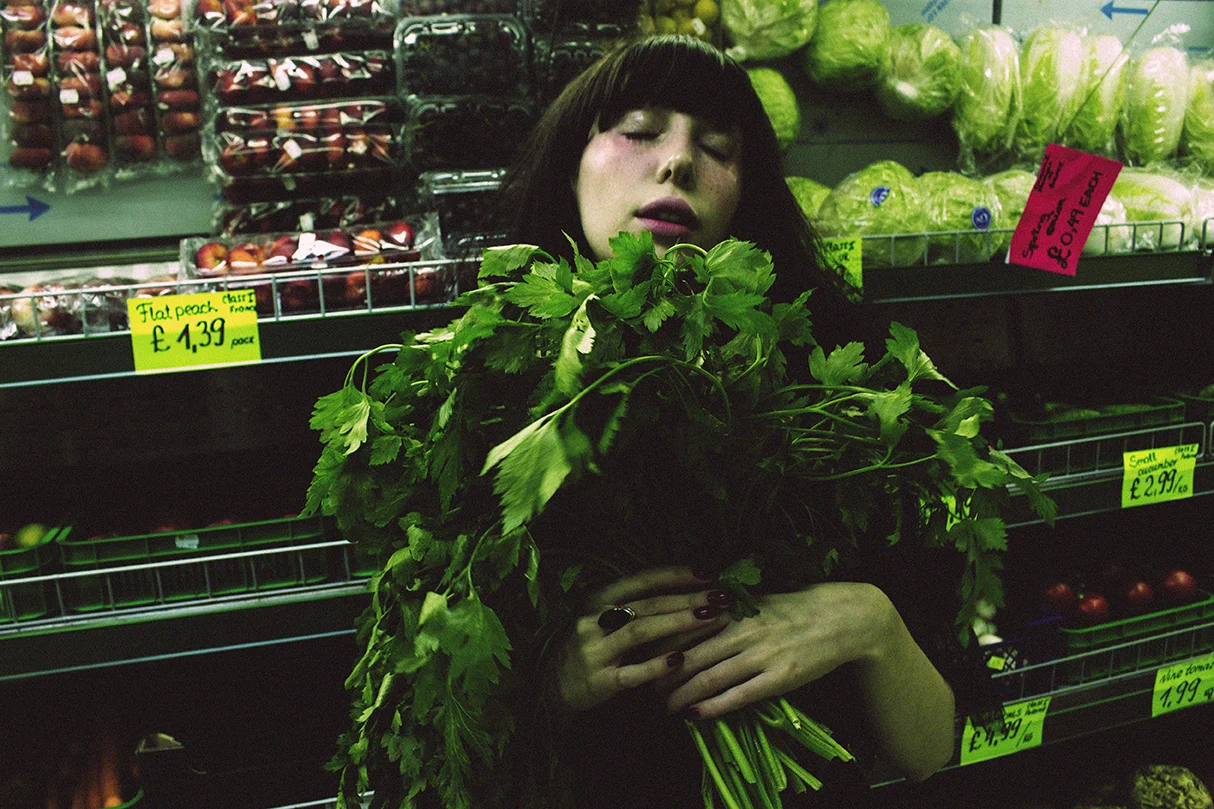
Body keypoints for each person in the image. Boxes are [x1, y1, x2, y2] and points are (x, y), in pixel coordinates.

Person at [493, 33, 996, 809]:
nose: (677, 161)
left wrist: (870, 622)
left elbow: (928, 749)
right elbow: (441, 754)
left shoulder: (841, 389)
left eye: (717, 146)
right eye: (639, 130)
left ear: (745, 189)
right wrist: (550, 685)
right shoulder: (488, 388)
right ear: (571, 164)